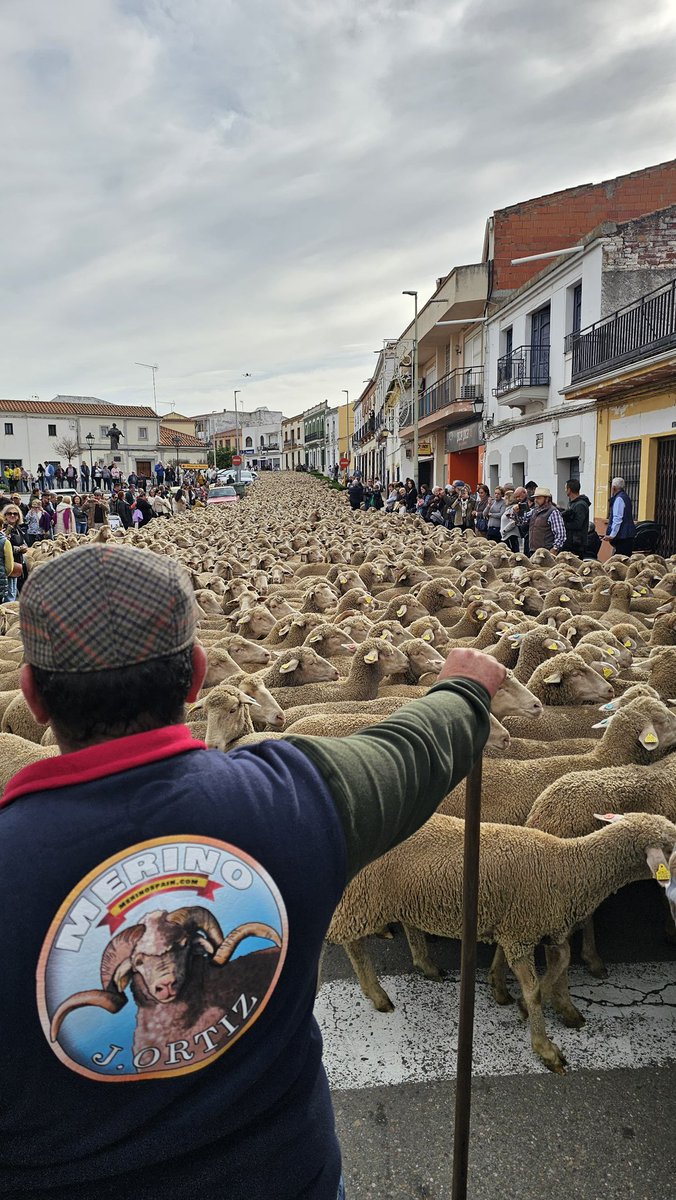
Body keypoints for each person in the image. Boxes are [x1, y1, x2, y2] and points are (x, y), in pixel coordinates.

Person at [0, 544, 503, 1199]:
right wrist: (465, 689)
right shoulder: (295, 797)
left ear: (33, 694)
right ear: (196, 675)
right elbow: (418, 750)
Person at [521, 486, 566, 554]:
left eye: (538, 498)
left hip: (546, 552)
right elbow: (521, 520)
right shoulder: (534, 511)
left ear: (546, 499)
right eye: (535, 498)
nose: (536, 500)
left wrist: (555, 549)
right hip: (533, 551)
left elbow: (560, 534)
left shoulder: (553, 512)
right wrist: (517, 511)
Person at [603, 476, 636, 556]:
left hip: (622, 536)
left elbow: (617, 518)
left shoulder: (619, 499)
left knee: (619, 560)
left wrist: (612, 535)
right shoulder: (626, 497)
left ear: (613, 488)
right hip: (628, 534)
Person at [0, 505, 27, 598]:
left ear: (18, 516)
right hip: (7, 566)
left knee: (14, 593)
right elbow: (3, 546)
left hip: (17, 564)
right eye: (9, 513)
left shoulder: (18, 529)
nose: (12, 515)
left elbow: (24, 542)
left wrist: (24, 547)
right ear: (5, 515)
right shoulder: (4, 529)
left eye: (15, 513)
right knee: (9, 595)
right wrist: (19, 549)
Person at [562, 479, 590, 557]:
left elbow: (578, 524)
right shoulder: (572, 503)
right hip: (571, 541)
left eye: (565, 488)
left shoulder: (580, 505)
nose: (564, 490)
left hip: (577, 544)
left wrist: (563, 524)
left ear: (569, 489)